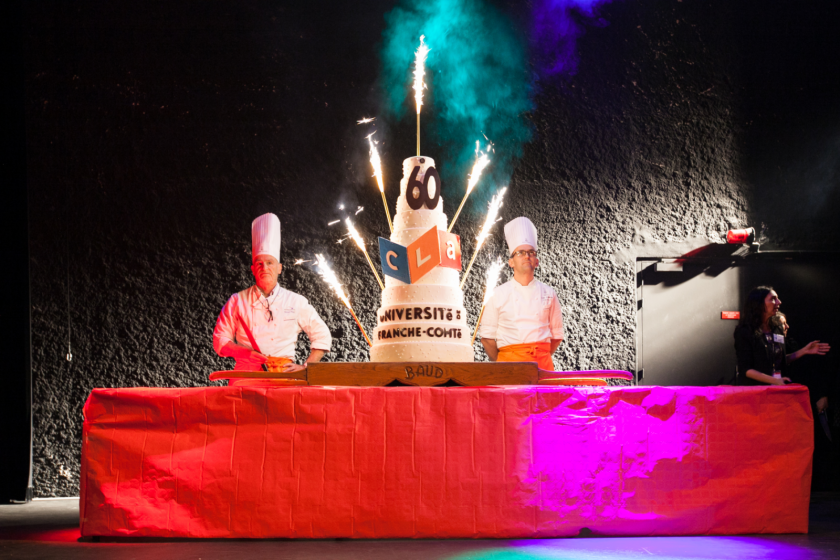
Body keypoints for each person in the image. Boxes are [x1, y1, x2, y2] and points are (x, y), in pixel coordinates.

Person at [213, 213, 331, 376]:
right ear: (253, 269)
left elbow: (322, 335)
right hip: (246, 376)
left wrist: (306, 367)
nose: (264, 268)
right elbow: (220, 340)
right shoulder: (237, 301)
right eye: (259, 264)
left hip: (283, 375)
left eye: (270, 263)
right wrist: (245, 353)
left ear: (279, 268)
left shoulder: (296, 301)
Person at [479, 217, 564, 371]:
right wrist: (503, 362)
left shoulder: (549, 293)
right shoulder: (497, 294)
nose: (527, 256)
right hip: (509, 366)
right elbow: (486, 338)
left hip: (542, 366)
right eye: (520, 253)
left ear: (536, 261)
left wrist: (539, 354)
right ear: (511, 262)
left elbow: (557, 336)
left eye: (531, 252)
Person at [734, 286, 829, 385]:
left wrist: (804, 351)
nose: (779, 302)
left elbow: (780, 360)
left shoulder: (776, 328)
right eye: (773, 299)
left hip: (777, 389)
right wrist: (774, 380)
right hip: (756, 392)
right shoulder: (745, 331)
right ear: (759, 303)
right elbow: (746, 369)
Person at [769, 311, 831, 411]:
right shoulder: (768, 344)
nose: (787, 326)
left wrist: (821, 394)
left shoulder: (791, 344)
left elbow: (810, 370)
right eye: (783, 324)